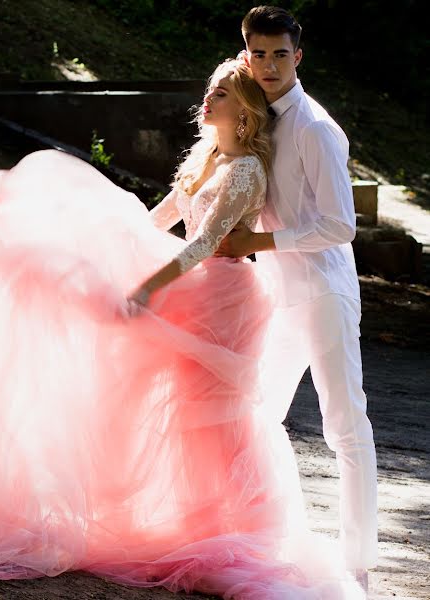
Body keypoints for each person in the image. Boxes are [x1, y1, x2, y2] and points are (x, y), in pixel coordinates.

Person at [0, 58, 364, 598]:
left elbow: (206, 245)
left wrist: (150, 285)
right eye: (211, 89)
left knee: (210, 415)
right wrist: (105, 238)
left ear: (245, 112)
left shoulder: (247, 168)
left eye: (222, 94)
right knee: (156, 390)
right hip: (192, 283)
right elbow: (162, 221)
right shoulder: (206, 157)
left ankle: (232, 525)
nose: (208, 99)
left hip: (225, 296)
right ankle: (179, 516)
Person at [215, 7, 378, 591]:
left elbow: (340, 225)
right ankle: (250, 534)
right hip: (277, 293)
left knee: (344, 424)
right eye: (258, 54)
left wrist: (260, 239)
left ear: (298, 57)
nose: (269, 65)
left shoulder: (315, 127)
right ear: (246, 55)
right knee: (256, 413)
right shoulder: (254, 117)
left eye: (280, 54)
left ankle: (356, 564)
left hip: (325, 293)